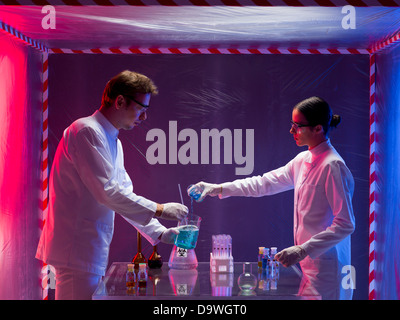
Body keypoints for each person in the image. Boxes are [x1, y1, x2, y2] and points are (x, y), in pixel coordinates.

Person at [36, 70, 188, 300]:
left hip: (87, 251)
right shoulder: (86, 131)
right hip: (76, 250)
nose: (144, 118)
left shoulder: (112, 141)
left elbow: (123, 197)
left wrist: (161, 232)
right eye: (142, 109)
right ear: (119, 101)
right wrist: (161, 209)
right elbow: (108, 193)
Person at [189, 96, 355, 300]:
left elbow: (345, 224)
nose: (291, 131)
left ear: (318, 128)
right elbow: (263, 183)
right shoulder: (303, 160)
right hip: (309, 266)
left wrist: (303, 249)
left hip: (328, 268)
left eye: (298, 126)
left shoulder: (333, 166)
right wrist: (218, 187)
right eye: (291, 124)